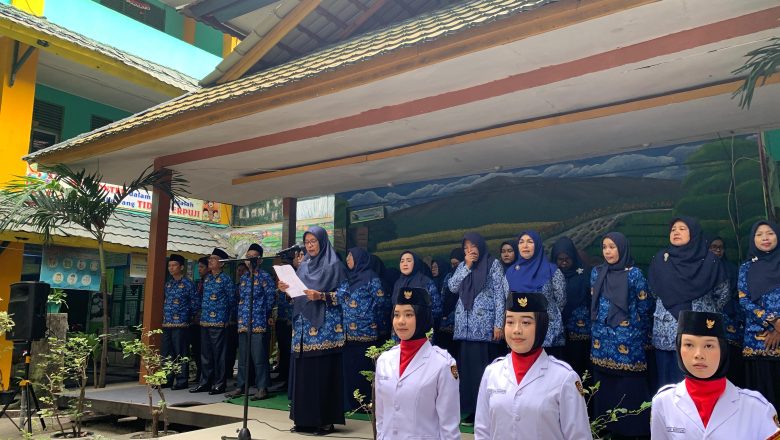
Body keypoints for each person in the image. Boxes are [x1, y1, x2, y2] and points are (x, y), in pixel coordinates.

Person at [475, 291, 592, 439]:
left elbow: (579, 436)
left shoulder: (564, 378)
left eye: (526, 322)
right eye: (510, 322)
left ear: (541, 326)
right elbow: (482, 431)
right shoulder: (492, 373)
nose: (516, 330)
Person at [651, 311, 780, 439]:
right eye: (689, 344)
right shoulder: (663, 402)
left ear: (722, 350)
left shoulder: (757, 408)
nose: (698, 354)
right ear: (679, 348)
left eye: (708, 345)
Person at [279, 226, 347, 435]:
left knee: (321, 374)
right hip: (301, 329)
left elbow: (345, 295)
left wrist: (322, 296)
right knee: (303, 376)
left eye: (313, 242)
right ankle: (303, 420)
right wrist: (287, 291)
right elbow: (298, 293)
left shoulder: (334, 264)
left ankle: (323, 421)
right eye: (307, 242)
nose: (309, 246)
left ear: (322, 242)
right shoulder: (304, 266)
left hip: (324, 330)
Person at [649, 216, 728, 388]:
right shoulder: (660, 260)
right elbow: (654, 291)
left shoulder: (709, 261)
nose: (676, 232)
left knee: (698, 382)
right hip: (666, 333)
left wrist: (702, 310)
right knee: (667, 384)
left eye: (682, 229)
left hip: (699, 331)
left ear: (694, 233)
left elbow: (722, 293)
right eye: (673, 229)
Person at [375, 287, 460, 439]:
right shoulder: (384, 360)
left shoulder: (442, 364)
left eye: (409, 314)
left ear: (422, 317)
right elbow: (381, 417)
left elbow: (449, 427)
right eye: (396, 314)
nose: (401, 321)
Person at [589, 232, 653, 437]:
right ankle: (604, 428)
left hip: (628, 339)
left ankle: (631, 431)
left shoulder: (634, 274)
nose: (608, 251)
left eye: (612, 247)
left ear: (622, 248)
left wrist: (637, 330)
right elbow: (595, 303)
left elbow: (645, 306)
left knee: (628, 385)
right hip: (601, 339)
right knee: (604, 385)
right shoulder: (597, 272)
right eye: (605, 247)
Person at [448, 232, 508, 426]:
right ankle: (472, 410)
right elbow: (452, 287)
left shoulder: (493, 264)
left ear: (480, 246)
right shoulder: (463, 267)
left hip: (484, 328)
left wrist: (499, 323)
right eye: (466, 248)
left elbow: (501, 294)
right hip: (465, 328)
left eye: (472, 247)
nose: (469, 251)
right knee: (468, 372)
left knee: (484, 372)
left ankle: (488, 412)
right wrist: (465, 266)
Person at [225, 243, 275, 400]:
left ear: (259, 260)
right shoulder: (245, 278)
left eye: (253, 257)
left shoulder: (264, 276)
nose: (250, 260)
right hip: (243, 322)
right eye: (248, 257)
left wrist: (263, 313)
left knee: (259, 358)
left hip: (258, 322)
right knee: (243, 358)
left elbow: (271, 298)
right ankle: (241, 386)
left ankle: (262, 388)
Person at [739, 220, 780, 412]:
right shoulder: (746, 268)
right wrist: (772, 321)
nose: (765, 238)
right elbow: (744, 299)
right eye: (759, 234)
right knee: (762, 399)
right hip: (757, 343)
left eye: (770, 233)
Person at [505, 230, 566, 358]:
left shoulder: (552, 271)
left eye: (530, 242)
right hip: (520, 335)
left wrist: (547, 315)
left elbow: (561, 300)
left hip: (548, 334)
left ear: (537, 245)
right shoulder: (510, 273)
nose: (525, 246)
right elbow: (508, 300)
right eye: (521, 242)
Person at [340, 247, 383, 411]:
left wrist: (371, 320)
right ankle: (350, 403)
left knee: (364, 369)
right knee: (349, 369)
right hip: (347, 334)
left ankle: (366, 403)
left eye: (350, 256)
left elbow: (380, 303)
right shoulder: (347, 278)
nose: (348, 259)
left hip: (366, 332)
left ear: (359, 258)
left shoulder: (371, 277)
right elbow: (338, 298)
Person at [190, 248, 233, 395]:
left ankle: (219, 383)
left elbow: (232, 300)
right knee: (205, 354)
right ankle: (205, 382)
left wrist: (227, 318)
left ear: (221, 263)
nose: (210, 261)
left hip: (219, 322)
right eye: (210, 258)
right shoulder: (207, 279)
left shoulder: (226, 279)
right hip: (205, 321)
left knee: (219, 355)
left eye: (213, 259)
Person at [550, 236, 591, 377]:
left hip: (580, 335)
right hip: (556, 336)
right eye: (560, 260)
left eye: (567, 259)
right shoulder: (549, 276)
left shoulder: (584, 275)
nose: (564, 263)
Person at [709, 236, 744, 387]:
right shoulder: (701, 269)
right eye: (713, 247)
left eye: (720, 247)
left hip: (730, 316)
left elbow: (736, 292)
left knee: (731, 357)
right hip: (709, 318)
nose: (717, 250)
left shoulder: (731, 268)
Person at [161, 254, 196, 390]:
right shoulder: (168, 284)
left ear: (181, 267)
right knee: (167, 353)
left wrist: (190, 317)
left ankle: (182, 380)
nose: (171, 268)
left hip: (181, 323)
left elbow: (194, 303)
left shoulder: (188, 284)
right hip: (167, 323)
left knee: (181, 353)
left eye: (174, 265)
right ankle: (167, 378)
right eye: (170, 265)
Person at [393, 251, 441, 328]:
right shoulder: (398, 283)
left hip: (421, 331)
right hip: (400, 330)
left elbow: (437, 309)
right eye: (402, 261)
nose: (405, 264)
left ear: (415, 263)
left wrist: (420, 320)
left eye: (409, 261)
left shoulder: (426, 282)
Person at [437, 248, 464, 358]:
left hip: (460, 322)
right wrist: (443, 315)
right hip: (446, 323)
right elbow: (443, 296)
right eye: (452, 264)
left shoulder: (467, 276)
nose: (454, 267)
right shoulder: (448, 276)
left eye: (456, 264)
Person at [190, 256, 208, 382]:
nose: (199, 270)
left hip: (208, 321)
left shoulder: (211, 281)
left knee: (205, 350)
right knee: (196, 349)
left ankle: (205, 375)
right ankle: (199, 373)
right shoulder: (198, 282)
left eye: (201, 267)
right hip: (196, 321)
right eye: (198, 267)